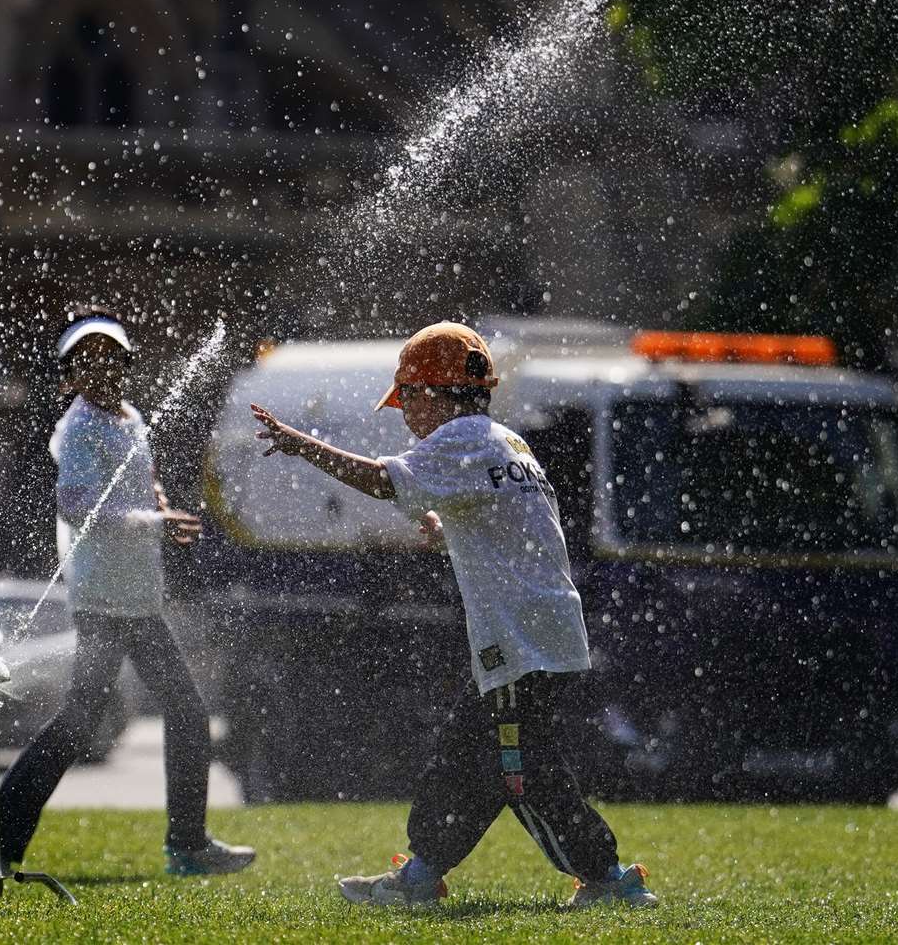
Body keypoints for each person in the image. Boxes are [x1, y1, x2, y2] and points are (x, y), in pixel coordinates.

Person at [250, 320, 656, 909]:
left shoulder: (460, 438)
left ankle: (608, 879)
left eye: (406, 399)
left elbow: (383, 481)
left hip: (520, 644)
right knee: (466, 756)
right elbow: (512, 532)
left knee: (522, 775)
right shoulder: (504, 441)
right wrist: (450, 530)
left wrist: (301, 444)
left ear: (431, 392)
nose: (405, 414)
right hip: (535, 635)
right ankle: (419, 875)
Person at [0, 307, 254, 876]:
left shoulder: (129, 418)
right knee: (170, 714)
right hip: (104, 600)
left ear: (126, 366)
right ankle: (183, 845)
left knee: (95, 718)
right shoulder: (80, 427)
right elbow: (76, 502)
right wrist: (150, 521)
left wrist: (160, 506)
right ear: (69, 377)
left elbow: (136, 482)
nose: (101, 368)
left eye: (111, 357)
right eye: (87, 361)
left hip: (136, 597)